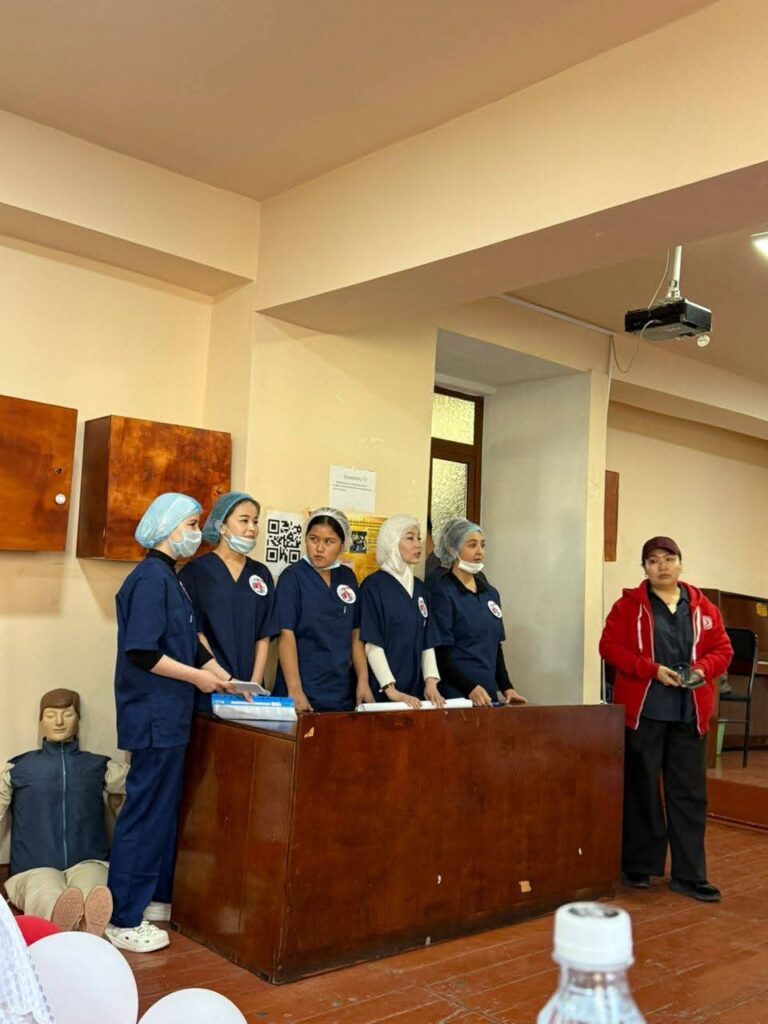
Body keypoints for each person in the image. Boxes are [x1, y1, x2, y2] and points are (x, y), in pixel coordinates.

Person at [105, 493, 237, 953]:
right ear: (165, 526)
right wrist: (199, 679)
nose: (198, 533)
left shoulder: (171, 579)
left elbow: (188, 642)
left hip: (169, 715)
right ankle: (123, 918)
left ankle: (151, 898)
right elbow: (143, 652)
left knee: (161, 812)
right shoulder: (148, 579)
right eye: (192, 524)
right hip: (153, 714)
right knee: (144, 814)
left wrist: (224, 676)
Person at [599, 535, 732, 903]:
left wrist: (702, 669)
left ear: (680, 563)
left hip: (690, 714)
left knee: (689, 793)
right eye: (653, 560)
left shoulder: (703, 607)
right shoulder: (628, 606)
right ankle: (639, 865)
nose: (662, 566)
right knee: (641, 787)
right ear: (645, 568)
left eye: (668, 558)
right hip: (646, 711)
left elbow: (723, 649)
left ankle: (690, 874)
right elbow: (608, 647)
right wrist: (651, 669)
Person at [0, 689, 126, 936]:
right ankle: (68, 928)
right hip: (33, 868)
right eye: (50, 715)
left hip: (89, 862)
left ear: (78, 719)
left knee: (94, 894)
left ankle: (85, 925)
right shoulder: (18, 768)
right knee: (48, 897)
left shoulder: (99, 766)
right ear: (41, 720)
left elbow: (140, 789)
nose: (59, 722)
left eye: (67, 714)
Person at [179, 491, 276, 713]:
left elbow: (264, 633)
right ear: (221, 527)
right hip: (211, 686)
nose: (252, 528)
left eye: (255, 521)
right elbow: (195, 633)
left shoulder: (261, 574)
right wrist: (226, 680)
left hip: (251, 693)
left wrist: (253, 683)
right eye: (244, 520)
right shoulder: (195, 572)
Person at [273, 507, 372, 712]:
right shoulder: (292, 578)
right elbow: (285, 634)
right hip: (303, 689)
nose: (319, 548)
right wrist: (295, 689)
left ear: (342, 545)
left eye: (329, 541)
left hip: (340, 690)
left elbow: (355, 633)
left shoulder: (347, 577)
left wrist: (363, 680)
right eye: (313, 539)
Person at [430, 517, 527, 707]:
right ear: (453, 549)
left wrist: (507, 687)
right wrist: (469, 688)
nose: (479, 551)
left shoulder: (490, 593)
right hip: (456, 696)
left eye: (482, 545)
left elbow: (495, 647)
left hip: (486, 695)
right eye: (472, 545)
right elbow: (440, 653)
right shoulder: (443, 593)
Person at [359, 515, 440, 708]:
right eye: (410, 538)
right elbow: (372, 643)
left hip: (416, 692)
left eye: (418, 538)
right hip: (383, 692)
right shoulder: (373, 586)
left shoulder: (420, 589)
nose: (418, 545)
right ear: (391, 541)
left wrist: (431, 682)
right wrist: (391, 689)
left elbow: (427, 641)